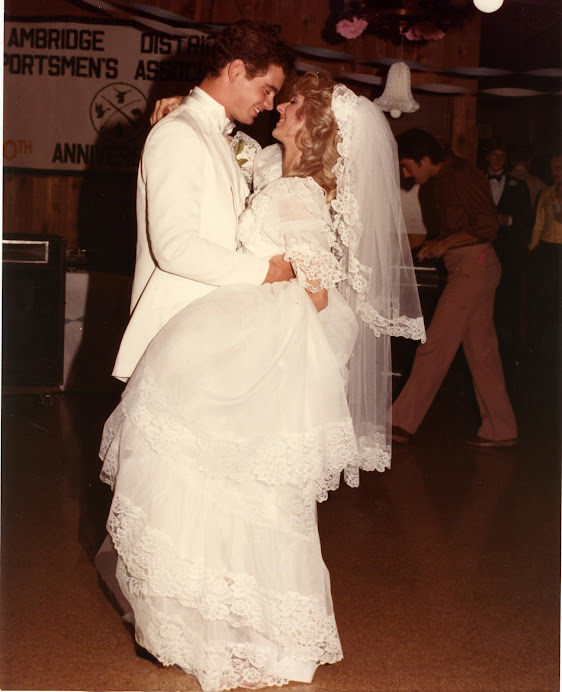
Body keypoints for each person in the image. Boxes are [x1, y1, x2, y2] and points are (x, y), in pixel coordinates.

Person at [98, 73, 424, 691]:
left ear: (312, 124)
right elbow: (233, 149)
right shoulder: (276, 166)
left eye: (291, 101)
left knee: (246, 489)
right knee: (218, 482)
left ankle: (253, 632)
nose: (279, 105)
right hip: (241, 341)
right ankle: (210, 625)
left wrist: (286, 347)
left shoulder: (300, 194)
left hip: (260, 349)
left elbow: (319, 292)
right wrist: (186, 107)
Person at [112, 20, 295, 382]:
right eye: (267, 90)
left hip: (210, 333)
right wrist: (267, 273)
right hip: (175, 335)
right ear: (236, 70)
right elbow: (175, 248)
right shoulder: (179, 133)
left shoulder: (214, 133)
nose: (270, 104)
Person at [391, 129, 518, 448]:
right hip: (470, 266)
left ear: (424, 159)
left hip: (473, 267)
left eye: (407, 166)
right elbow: (463, 226)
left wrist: (444, 243)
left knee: (435, 344)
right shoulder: (442, 179)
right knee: (481, 352)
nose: (406, 174)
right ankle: (500, 428)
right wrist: (438, 244)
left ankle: (400, 422)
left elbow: (487, 226)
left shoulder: (461, 175)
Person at [483, 141, 532, 368]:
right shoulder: (477, 181)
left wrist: (509, 220)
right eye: (494, 155)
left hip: (508, 254)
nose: (498, 160)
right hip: (483, 250)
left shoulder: (518, 185)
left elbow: (527, 220)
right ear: (487, 157)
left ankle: (507, 354)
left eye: (502, 156)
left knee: (507, 301)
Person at [527, 152, 562, 363]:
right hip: (547, 251)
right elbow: (538, 225)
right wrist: (532, 250)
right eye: (553, 168)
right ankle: (540, 348)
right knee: (544, 299)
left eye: (559, 168)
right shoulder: (546, 193)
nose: (556, 172)